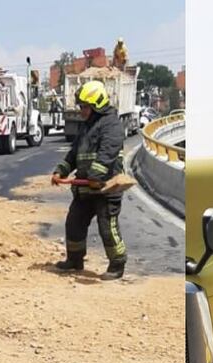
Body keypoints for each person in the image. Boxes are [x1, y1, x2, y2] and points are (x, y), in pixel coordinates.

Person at [51, 81, 128, 280]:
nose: (81, 111)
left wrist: (95, 176)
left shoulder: (112, 125)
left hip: (105, 189)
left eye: (84, 107)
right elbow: (74, 153)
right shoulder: (87, 126)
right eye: (81, 106)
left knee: (107, 227)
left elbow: (107, 153)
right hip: (85, 189)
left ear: (96, 105)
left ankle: (117, 264)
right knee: (74, 223)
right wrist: (61, 170)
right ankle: (74, 259)